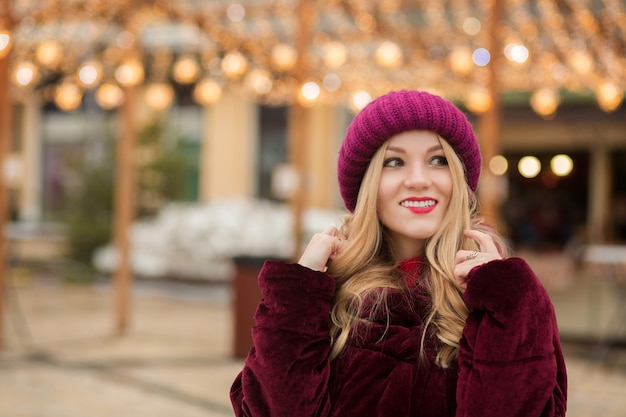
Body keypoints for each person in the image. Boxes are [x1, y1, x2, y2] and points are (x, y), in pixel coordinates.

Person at [230, 90, 567, 416]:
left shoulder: (508, 297)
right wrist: (298, 296)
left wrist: (503, 299)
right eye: (394, 162)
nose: (418, 180)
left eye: (438, 160)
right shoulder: (323, 295)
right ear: (367, 186)